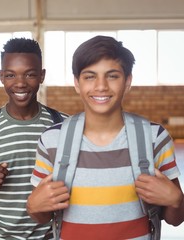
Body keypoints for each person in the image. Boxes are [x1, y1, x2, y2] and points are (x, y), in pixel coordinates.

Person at [27, 35, 184, 239]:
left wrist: (177, 200)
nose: (101, 86)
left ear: (127, 81)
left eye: (112, 76)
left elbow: (176, 219)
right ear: (77, 83)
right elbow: (42, 214)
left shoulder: (154, 137)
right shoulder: (52, 140)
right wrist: (32, 207)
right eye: (90, 76)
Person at [0, 37, 68, 239]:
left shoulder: (64, 126)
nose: (20, 83)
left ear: (42, 76)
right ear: (1, 76)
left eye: (29, 74)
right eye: (11, 75)